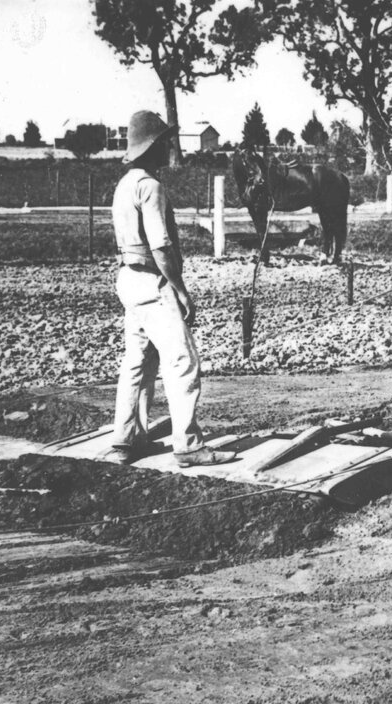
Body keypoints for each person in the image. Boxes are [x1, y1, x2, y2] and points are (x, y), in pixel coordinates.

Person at [106, 110, 235, 468]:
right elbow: (161, 246)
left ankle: (127, 441)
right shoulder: (150, 185)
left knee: (139, 362)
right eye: (164, 142)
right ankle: (189, 445)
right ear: (152, 146)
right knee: (182, 361)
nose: (169, 147)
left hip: (127, 279)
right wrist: (180, 289)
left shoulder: (124, 184)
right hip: (151, 280)